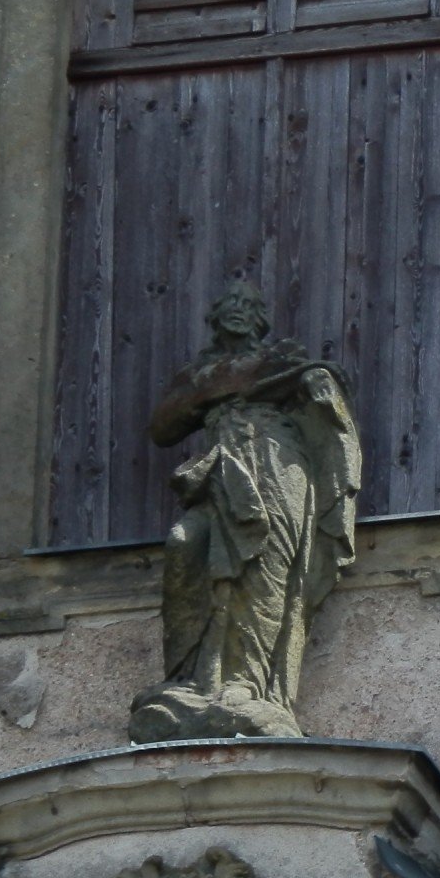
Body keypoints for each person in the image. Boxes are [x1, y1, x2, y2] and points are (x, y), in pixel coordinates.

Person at [128, 283, 360, 743]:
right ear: (214, 318)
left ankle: (249, 686)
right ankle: (191, 680)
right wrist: (217, 384)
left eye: (248, 307)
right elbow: (162, 427)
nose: (238, 312)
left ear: (261, 320)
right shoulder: (200, 373)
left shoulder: (287, 360)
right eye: (229, 306)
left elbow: (327, 393)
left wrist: (317, 386)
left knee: (263, 569)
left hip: (278, 461)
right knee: (184, 544)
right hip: (222, 469)